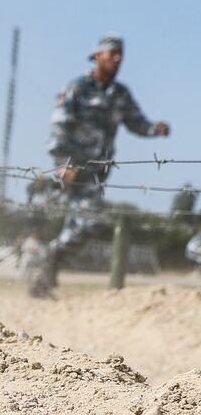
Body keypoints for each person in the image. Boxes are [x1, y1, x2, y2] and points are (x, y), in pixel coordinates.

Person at [29, 36, 171, 296]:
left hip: (97, 173)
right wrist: (63, 165)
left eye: (120, 54)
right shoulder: (78, 88)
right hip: (73, 169)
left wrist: (155, 129)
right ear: (97, 56)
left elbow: (136, 122)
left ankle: (47, 265)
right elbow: (59, 126)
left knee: (84, 223)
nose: (118, 59)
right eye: (112, 53)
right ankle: (47, 263)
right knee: (88, 218)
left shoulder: (120, 94)